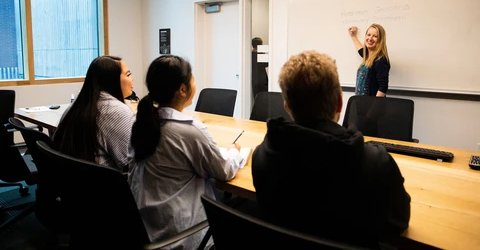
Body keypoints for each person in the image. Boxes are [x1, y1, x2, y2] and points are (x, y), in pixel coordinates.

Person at [251, 50, 410, 248]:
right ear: (339, 103)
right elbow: (397, 224)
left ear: (286, 106)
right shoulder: (376, 165)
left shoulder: (262, 156)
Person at [128, 54, 244, 249]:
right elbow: (224, 171)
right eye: (193, 79)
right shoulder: (189, 130)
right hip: (180, 237)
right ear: (182, 89)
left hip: (146, 226)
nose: (194, 83)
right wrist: (235, 152)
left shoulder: (141, 123)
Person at [52, 55, 135, 171]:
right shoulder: (118, 111)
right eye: (128, 74)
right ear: (112, 80)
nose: (132, 79)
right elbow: (131, 163)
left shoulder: (77, 105)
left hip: (68, 180)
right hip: (101, 184)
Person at [348, 24, 390, 97]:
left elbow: (383, 88)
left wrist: (374, 107)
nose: (370, 38)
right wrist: (354, 36)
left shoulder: (380, 60)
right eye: (368, 35)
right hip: (361, 103)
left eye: (375, 36)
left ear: (380, 40)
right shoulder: (368, 56)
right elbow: (360, 49)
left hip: (371, 105)